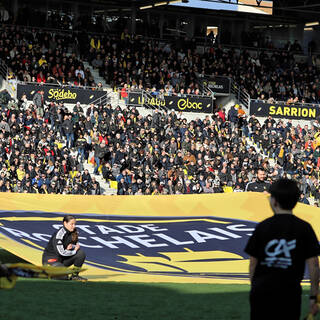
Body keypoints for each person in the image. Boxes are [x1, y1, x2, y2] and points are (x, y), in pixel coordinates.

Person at [245, 178, 320, 320]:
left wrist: (254, 288)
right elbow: (314, 266)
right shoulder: (304, 228)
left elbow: (252, 263)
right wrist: (313, 297)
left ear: (274, 201)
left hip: (262, 292)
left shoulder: (262, 227)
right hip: (290, 293)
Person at [42, 215, 87, 281]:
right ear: (65, 223)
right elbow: (61, 252)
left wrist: (71, 249)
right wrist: (73, 251)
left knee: (81, 253)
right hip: (51, 260)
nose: (74, 226)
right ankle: (48, 273)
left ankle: (75, 276)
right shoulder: (59, 234)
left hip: (61, 259)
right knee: (63, 277)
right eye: (71, 224)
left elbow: (74, 246)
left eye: (74, 224)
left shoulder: (73, 233)